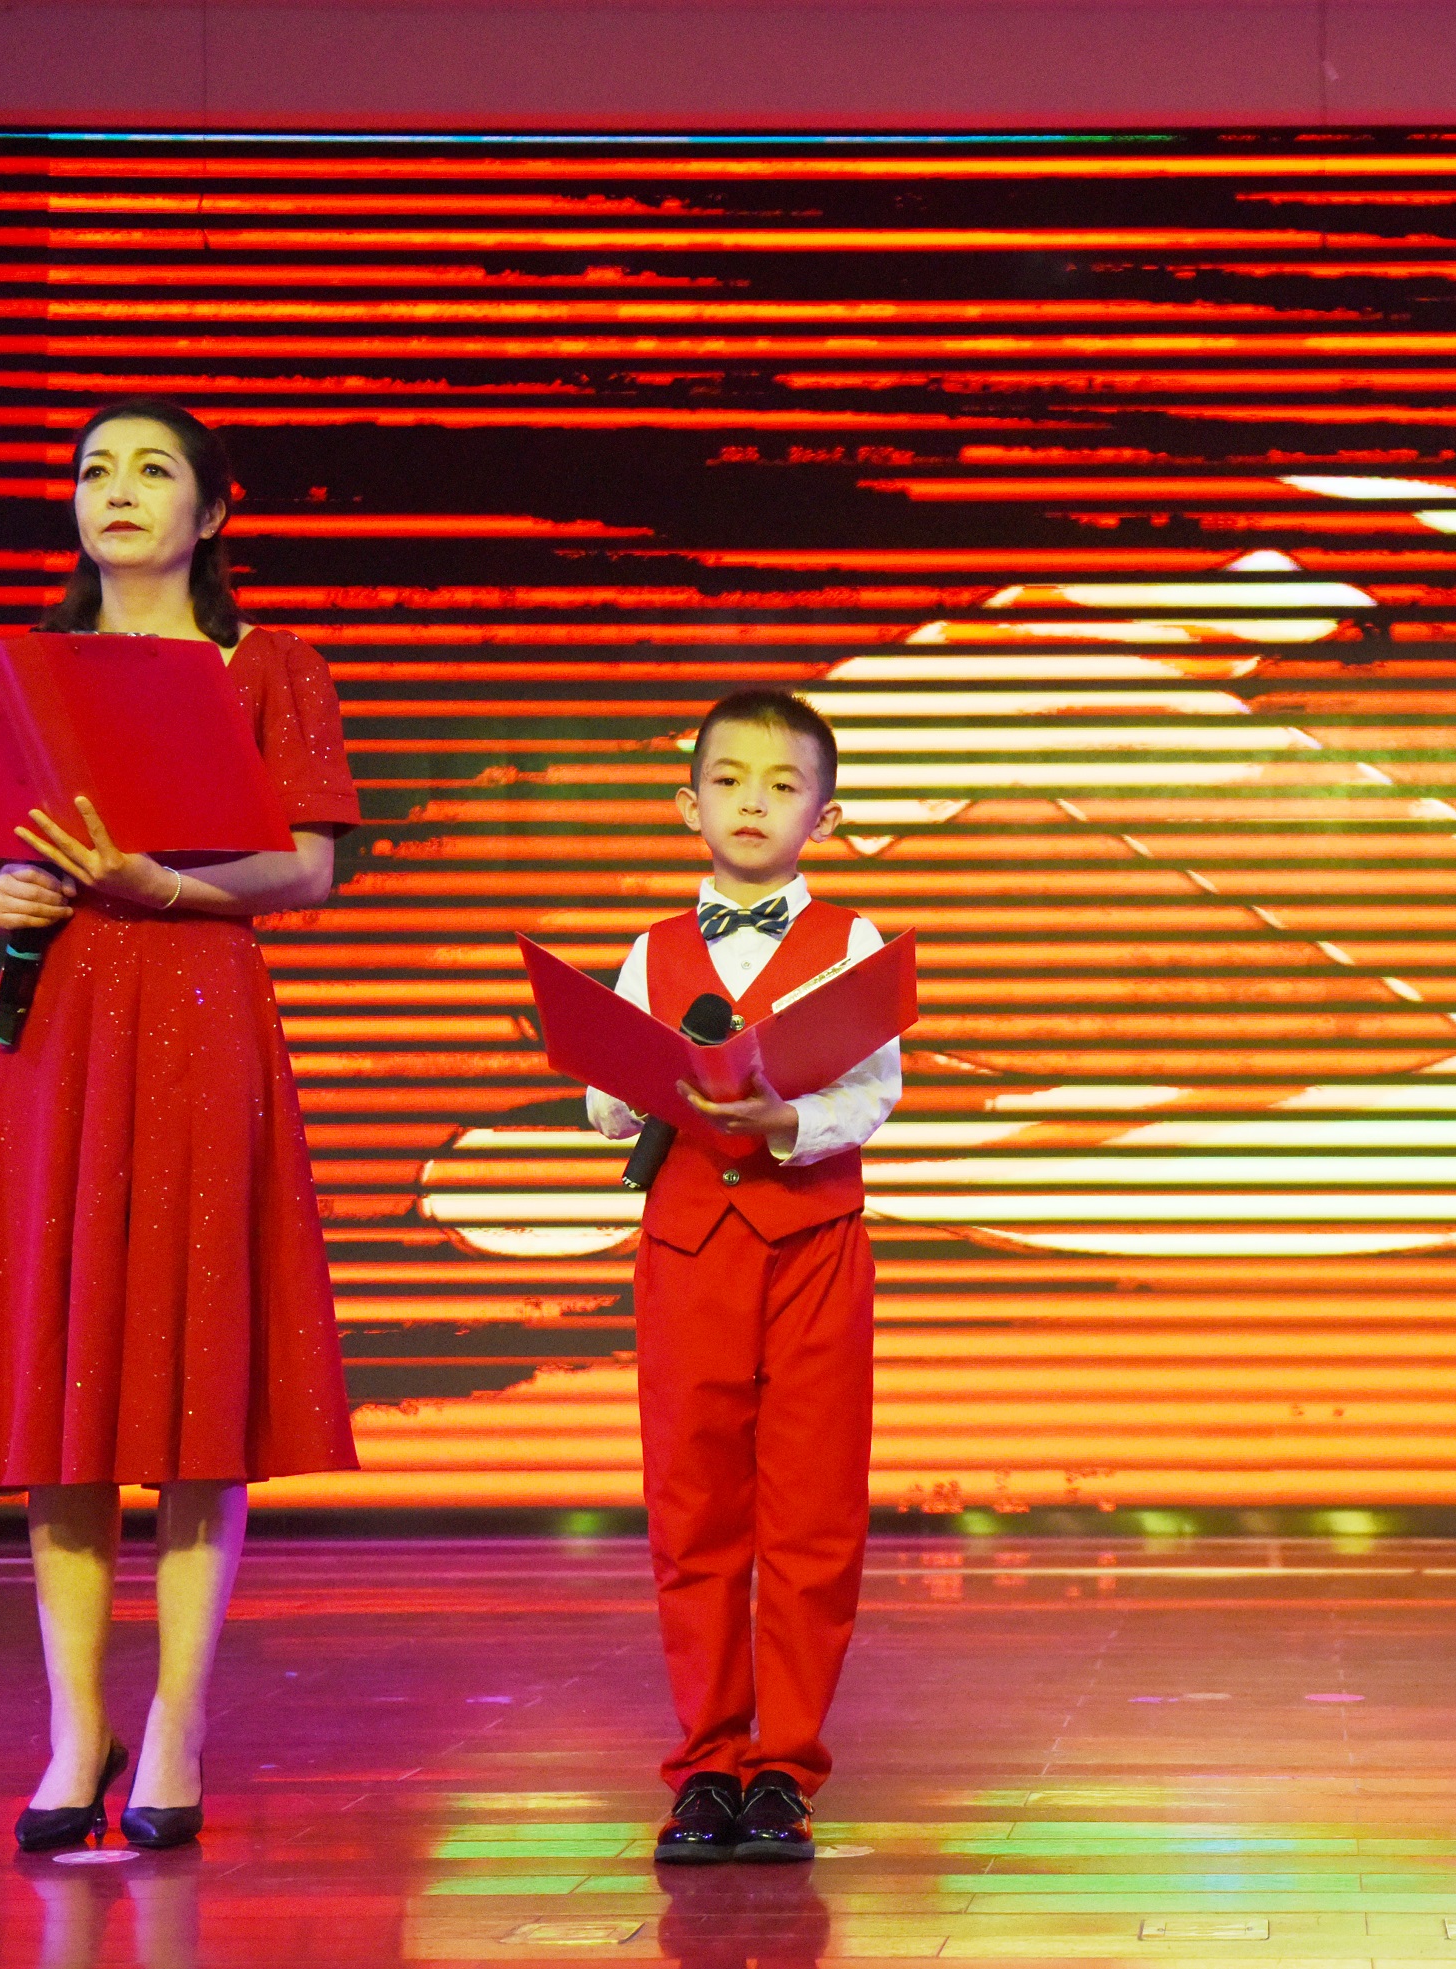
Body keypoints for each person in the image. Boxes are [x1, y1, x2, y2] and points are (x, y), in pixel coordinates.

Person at [0, 399, 360, 1852]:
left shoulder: (269, 662)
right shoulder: (24, 670)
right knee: (66, 1381)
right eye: (96, 469)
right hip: (58, 1023)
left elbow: (309, 867)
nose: (118, 491)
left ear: (212, 512)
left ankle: (176, 1727)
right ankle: (71, 1728)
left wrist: (171, 886)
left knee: (197, 1379)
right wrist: (1, 896)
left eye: (154, 470)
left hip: (201, 1009)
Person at [582, 689, 902, 1864]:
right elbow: (606, 1105)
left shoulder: (853, 943)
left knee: (811, 1514)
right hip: (686, 1250)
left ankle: (785, 1768)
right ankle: (708, 1763)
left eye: (782, 784)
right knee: (694, 1511)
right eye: (728, 780)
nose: (752, 802)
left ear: (825, 816)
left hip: (812, 1241)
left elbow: (873, 1092)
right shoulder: (654, 947)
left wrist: (785, 1121)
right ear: (688, 805)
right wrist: (640, 1080)